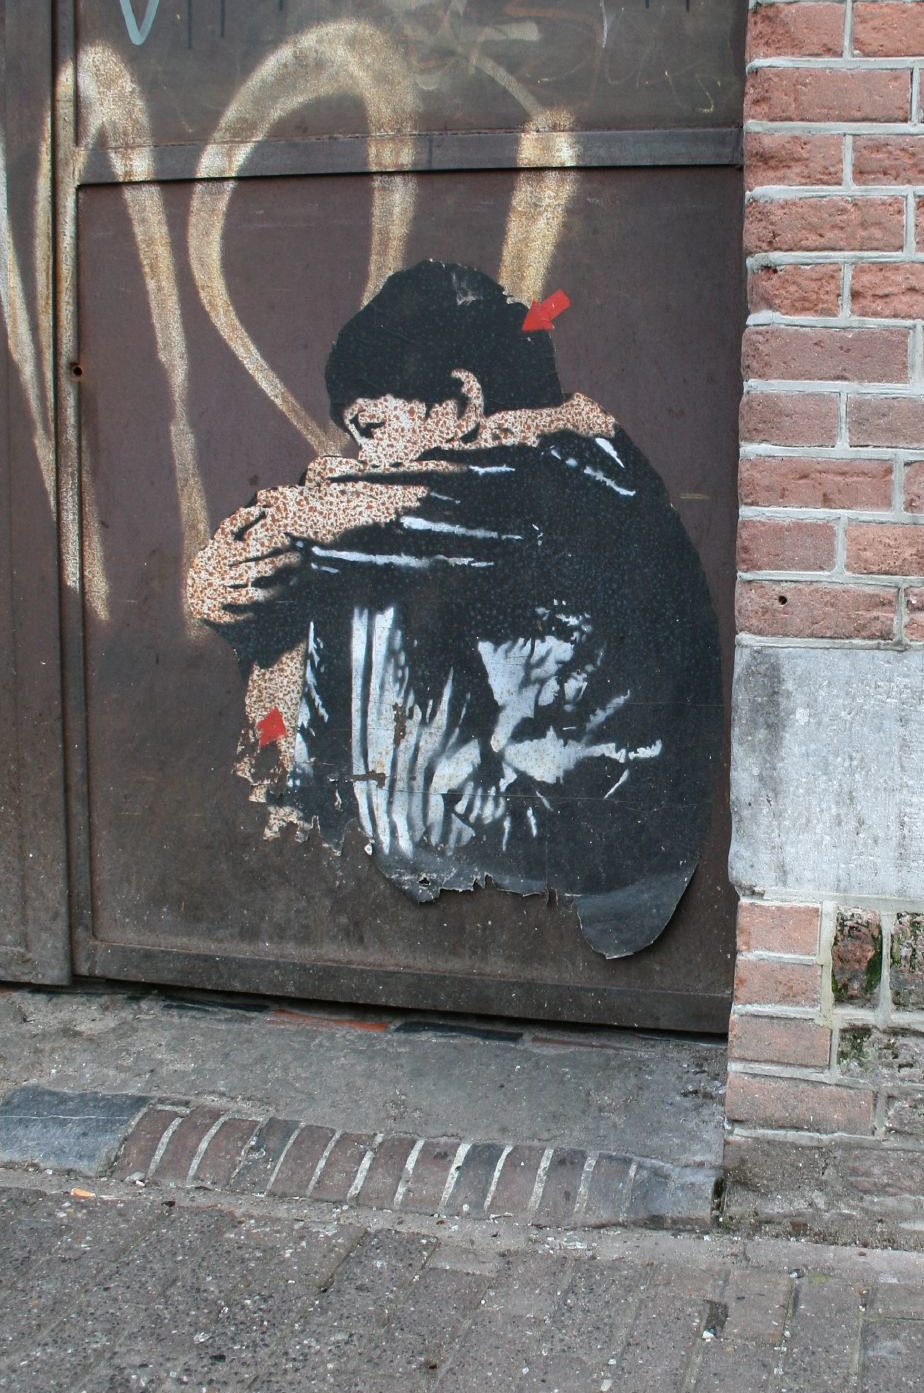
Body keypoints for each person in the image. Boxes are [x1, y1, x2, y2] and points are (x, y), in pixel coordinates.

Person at [186, 260, 721, 959]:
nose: (362, 457)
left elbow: (420, 510)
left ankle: (326, 838)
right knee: (338, 581)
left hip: (588, 859)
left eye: (372, 427)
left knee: (363, 584)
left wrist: (282, 530)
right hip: (548, 836)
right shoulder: (455, 504)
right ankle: (320, 824)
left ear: (463, 403)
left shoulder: (567, 473)